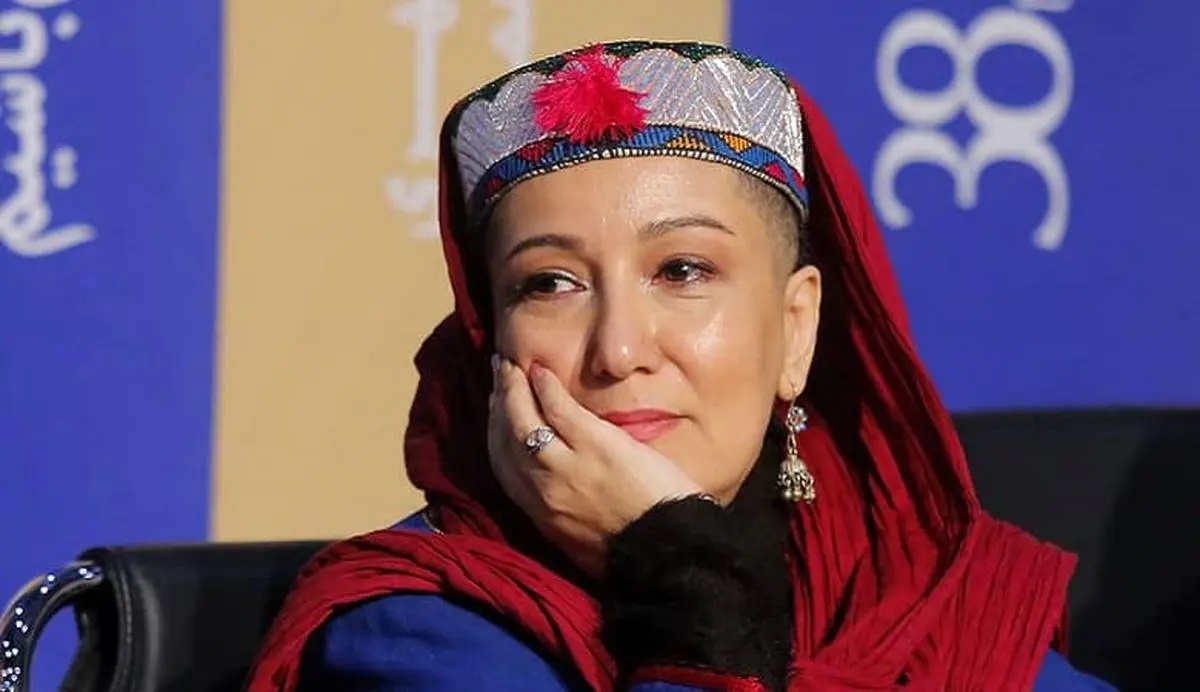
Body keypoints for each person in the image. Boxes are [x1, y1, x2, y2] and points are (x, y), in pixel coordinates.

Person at [245, 41, 1114, 691]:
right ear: (493, 341)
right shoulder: (419, 630)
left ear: (796, 330)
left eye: (684, 271)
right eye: (550, 283)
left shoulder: (921, 600)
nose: (620, 350)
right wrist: (683, 581)